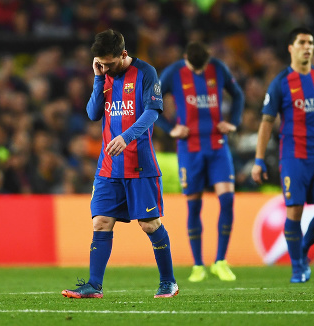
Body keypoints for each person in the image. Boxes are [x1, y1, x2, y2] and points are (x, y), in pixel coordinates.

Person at [61, 29, 178, 298]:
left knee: (149, 224)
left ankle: (168, 281)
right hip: (108, 166)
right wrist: (97, 77)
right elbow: (92, 113)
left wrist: (126, 137)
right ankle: (94, 285)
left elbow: (152, 113)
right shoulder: (103, 75)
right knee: (101, 222)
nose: (106, 67)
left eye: (109, 63)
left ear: (123, 55)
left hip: (140, 163)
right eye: (100, 62)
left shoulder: (146, 73)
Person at [251, 27, 314, 283]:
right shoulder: (280, 83)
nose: (307, 47)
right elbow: (266, 122)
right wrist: (259, 159)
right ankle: (298, 266)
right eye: (302, 42)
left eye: (310, 42)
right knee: (294, 211)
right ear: (291, 47)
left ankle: (303, 248)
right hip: (293, 158)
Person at [156, 41, 244, 282]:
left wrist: (233, 121)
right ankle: (197, 265)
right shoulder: (173, 73)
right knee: (194, 206)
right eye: (194, 68)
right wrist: (170, 128)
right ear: (185, 58)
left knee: (227, 200)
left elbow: (238, 94)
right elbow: (151, 101)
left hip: (217, 145)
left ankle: (220, 261)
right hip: (190, 148)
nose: (198, 72)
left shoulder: (217, 68)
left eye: (201, 67)